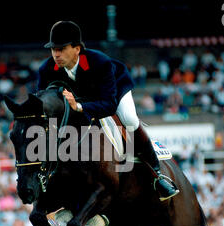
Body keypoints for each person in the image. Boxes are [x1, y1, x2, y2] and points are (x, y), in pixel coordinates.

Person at [37, 21, 179, 201]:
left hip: (113, 91)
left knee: (129, 119)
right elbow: (42, 105)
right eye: (53, 49)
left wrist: (79, 107)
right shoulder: (46, 70)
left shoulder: (100, 62)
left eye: (61, 49)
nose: (55, 54)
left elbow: (109, 105)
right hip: (80, 100)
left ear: (77, 49)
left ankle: (157, 174)